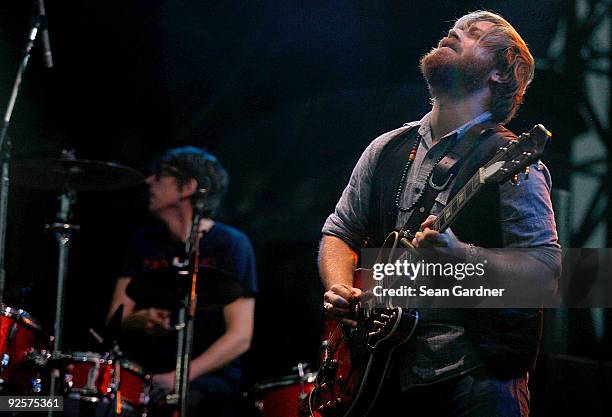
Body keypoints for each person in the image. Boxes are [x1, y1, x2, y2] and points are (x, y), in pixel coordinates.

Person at [320, 10, 561, 417]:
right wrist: (341, 285)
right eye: (455, 27)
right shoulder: (386, 148)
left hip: (475, 376)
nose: (454, 32)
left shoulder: (512, 160)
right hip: (383, 373)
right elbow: (339, 231)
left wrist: (460, 257)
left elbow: (546, 274)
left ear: (500, 75)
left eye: (475, 34)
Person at [107, 146, 257, 417]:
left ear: (188, 186)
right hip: (143, 375)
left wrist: (179, 377)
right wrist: (141, 320)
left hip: (208, 380)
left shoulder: (230, 244)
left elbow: (240, 336)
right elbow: (115, 318)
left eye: (160, 176)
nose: (149, 181)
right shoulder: (143, 243)